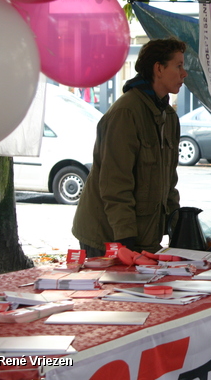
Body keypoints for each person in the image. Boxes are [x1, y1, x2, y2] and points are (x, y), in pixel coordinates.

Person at [72, 38, 188, 257]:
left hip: (143, 237)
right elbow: (115, 183)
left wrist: (177, 225)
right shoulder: (126, 113)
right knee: (114, 290)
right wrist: (125, 239)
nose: (184, 74)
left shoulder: (169, 117)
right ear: (159, 68)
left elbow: (169, 182)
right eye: (179, 65)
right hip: (107, 237)